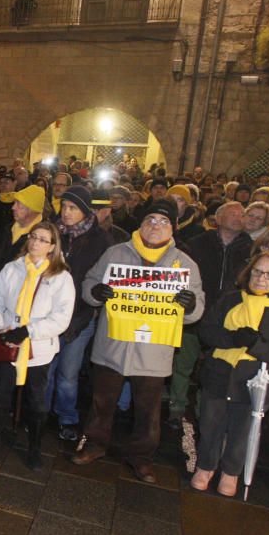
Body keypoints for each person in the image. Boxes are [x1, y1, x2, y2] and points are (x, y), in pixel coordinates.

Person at [77, 199, 205, 482]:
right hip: (113, 345)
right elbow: (89, 281)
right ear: (141, 223)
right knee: (102, 401)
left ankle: (141, 457)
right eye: (150, 220)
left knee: (148, 410)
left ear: (173, 228)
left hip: (153, 352)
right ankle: (96, 443)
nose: (155, 226)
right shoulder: (116, 253)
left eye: (163, 222)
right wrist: (95, 292)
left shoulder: (184, 264)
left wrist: (189, 304)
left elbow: (197, 311)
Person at [192, 252, 269, 496]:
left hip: (255, 379)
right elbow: (207, 330)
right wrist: (233, 338)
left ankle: (231, 472)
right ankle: (205, 466)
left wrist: (257, 345)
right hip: (220, 372)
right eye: (257, 271)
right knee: (211, 423)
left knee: (242, 430)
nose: (261, 278)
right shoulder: (231, 299)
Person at [0, 222, 74, 466]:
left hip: (38, 348)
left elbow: (61, 318)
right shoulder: (13, 268)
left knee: (36, 400)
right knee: (1, 394)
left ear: (52, 246)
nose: (35, 243)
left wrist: (29, 331)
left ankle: (35, 446)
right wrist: (0, 328)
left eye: (43, 240)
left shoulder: (61, 277)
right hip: (9, 343)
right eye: (33, 237)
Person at [169, 201, 252, 428]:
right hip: (195, 316)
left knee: (213, 369)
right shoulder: (198, 244)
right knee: (183, 365)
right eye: (233, 213)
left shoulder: (252, 249)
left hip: (226, 321)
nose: (239, 217)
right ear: (218, 218)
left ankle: (203, 411)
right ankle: (176, 407)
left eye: (242, 214)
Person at [49, 185, 113, 441]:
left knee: (68, 372)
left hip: (80, 317)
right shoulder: (52, 234)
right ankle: (39, 412)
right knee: (46, 369)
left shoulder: (100, 241)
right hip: (49, 315)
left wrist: (82, 317)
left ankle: (67, 416)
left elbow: (98, 282)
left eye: (73, 208)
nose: (66, 212)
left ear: (86, 211)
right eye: (64, 206)